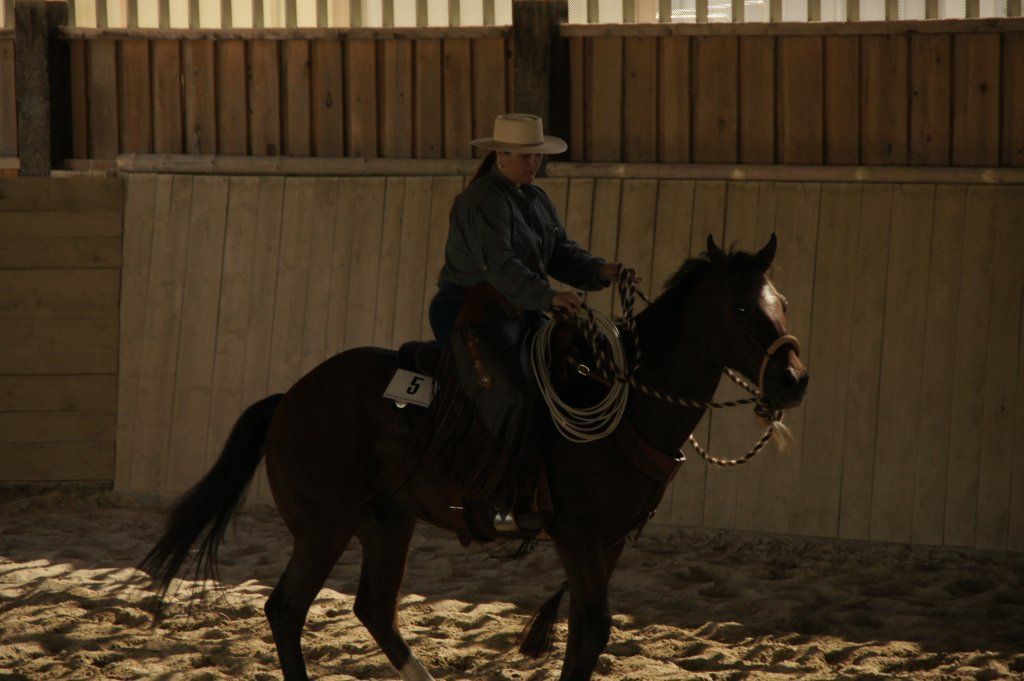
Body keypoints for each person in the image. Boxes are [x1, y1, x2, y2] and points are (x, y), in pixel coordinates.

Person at [426, 113, 625, 533]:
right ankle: (495, 492)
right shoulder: (481, 201)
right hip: (469, 309)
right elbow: (499, 265)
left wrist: (599, 271)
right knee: (512, 391)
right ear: (501, 154)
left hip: (519, 309)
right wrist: (548, 296)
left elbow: (560, 252)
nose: (533, 164)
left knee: (582, 367)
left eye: (537, 156)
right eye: (525, 156)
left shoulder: (534, 200)